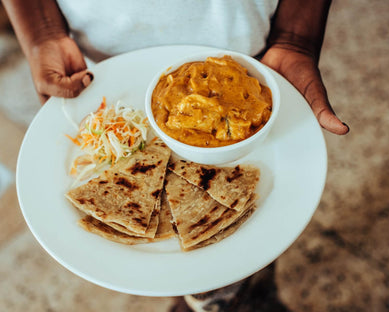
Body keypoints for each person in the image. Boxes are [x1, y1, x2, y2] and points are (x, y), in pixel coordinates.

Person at [3, 0, 349, 311]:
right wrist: (43, 32)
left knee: (250, 253)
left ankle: (236, 298)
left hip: (259, 61)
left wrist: (295, 38)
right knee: (194, 275)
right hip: (98, 69)